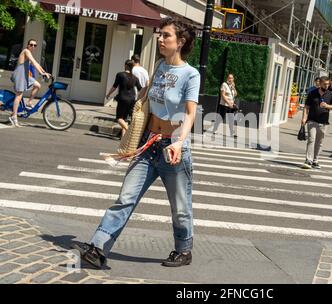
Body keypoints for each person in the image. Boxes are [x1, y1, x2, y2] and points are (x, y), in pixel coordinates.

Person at [72, 17, 200, 269]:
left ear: (181, 42)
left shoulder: (190, 74)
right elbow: (147, 98)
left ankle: (184, 250)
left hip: (173, 148)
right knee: (125, 197)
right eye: (160, 34)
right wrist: (133, 127)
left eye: (166, 36)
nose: (161, 39)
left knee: (180, 208)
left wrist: (179, 142)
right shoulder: (160, 65)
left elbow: (190, 113)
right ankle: (98, 248)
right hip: (148, 144)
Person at [9, 39, 50, 127]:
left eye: (35, 45)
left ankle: (29, 102)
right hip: (20, 74)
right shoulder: (26, 51)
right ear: (27, 45)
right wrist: (42, 73)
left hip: (25, 75)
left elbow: (37, 64)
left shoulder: (29, 54)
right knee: (19, 95)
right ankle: (14, 116)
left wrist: (45, 72)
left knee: (37, 85)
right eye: (31, 44)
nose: (32, 46)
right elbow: (34, 63)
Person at [301, 76, 332, 169]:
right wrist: (304, 118)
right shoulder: (312, 93)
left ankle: (315, 160)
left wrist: (327, 106)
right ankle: (308, 160)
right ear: (320, 83)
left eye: (328, 84)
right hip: (312, 120)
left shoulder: (330, 94)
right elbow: (306, 106)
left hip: (324, 122)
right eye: (325, 84)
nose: (327, 86)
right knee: (311, 139)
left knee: (319, 142)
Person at [106, 60, 142, 138]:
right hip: (132, 99)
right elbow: (140, 89)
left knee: (119, 118)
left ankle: (129, 131)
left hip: (123, 99)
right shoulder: (135, 77)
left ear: (125, 65)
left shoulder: (120, 75)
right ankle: (123, 138)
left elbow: (114, 86)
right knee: (124, 119)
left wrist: (108, 94)